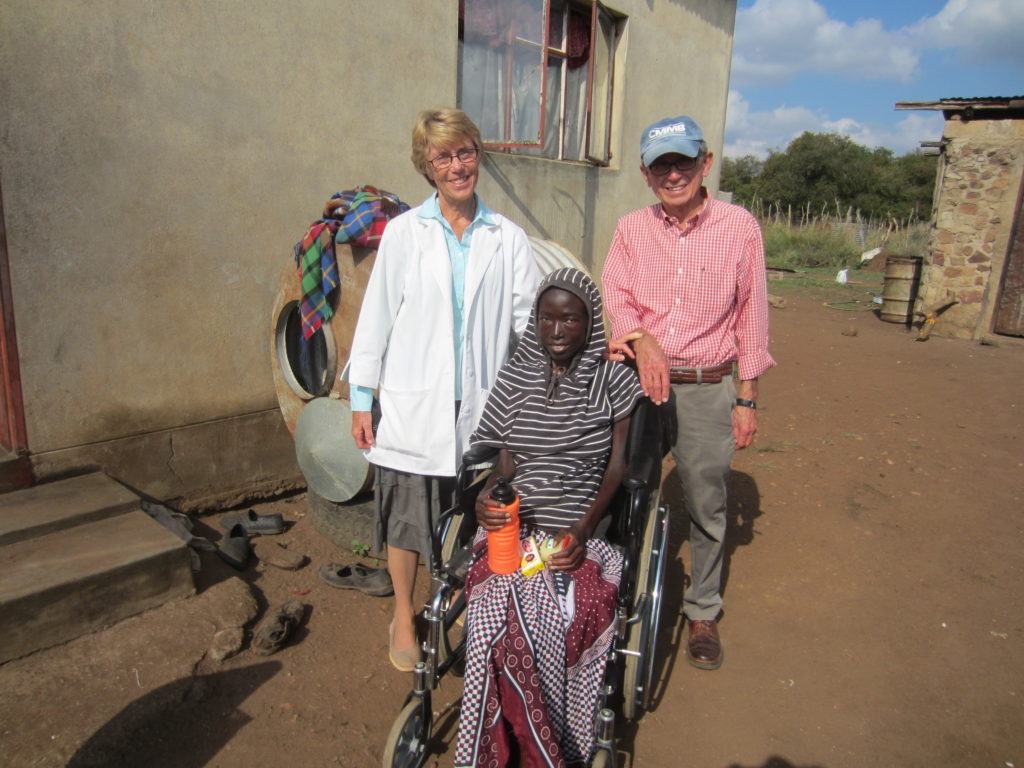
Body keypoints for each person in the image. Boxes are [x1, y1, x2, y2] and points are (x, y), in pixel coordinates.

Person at [346, 108, 541, 672]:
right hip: (414, 402)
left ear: (478, 155)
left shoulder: (507, 237)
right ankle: (404, 614)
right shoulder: (407, 233)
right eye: (443, 157)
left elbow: (528, 322)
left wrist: (545, 389)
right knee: (407, 515)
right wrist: (363, 398)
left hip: (482, 406)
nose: (457, 166)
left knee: (467, 517)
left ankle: (455, 607)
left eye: (465, 152)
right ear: (426, 168)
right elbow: (375, 318)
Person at [602, 114, 775, 671]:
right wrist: (640, 336)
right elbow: (616, 295)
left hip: (707, 386)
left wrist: (746, 398)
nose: (673, 174)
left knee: (705, 502)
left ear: (706, 163)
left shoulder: (739, 227)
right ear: (647, 175)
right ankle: (615, 593)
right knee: (625, 489)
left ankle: (702, 608)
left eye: (682, 161)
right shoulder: (631, 229)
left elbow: (753, 314)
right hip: (639, 383)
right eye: (661, 165)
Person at [454, 267, 643, 768]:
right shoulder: (516, 374)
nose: (557, 331)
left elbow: (619, 466)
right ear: (535, 320)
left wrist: (582, 529)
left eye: (571, 320)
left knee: (561, 615)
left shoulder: (613, 381)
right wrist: (488, 498)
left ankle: (542, 740)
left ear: (590, 323)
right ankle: (505, 739)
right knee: (493, 600)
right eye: (547, 319)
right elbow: (506, 460)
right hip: (517, 525)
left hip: (578, 524)